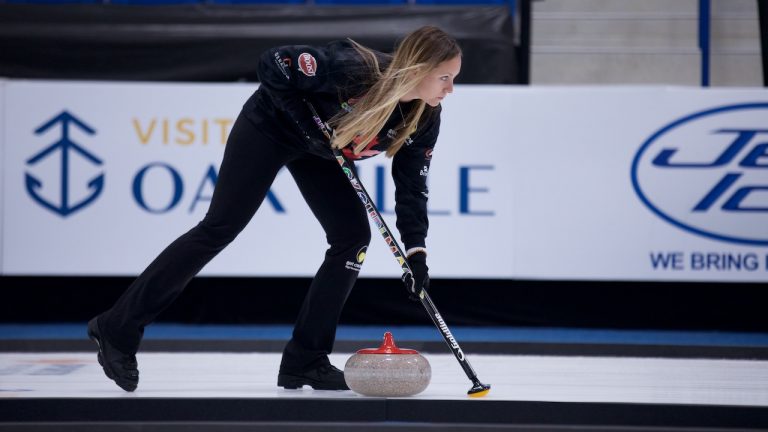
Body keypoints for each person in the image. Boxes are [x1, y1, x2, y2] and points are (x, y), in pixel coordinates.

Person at [87, 25, 462, 392]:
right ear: (416, 70)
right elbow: (274, 63)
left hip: (321, 149)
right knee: (220, 227)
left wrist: (417, 254)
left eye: (453, 79)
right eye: (444, 78)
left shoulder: (424, 117)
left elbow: (412, 189)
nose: (450, 89)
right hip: (270, 128)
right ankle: (117, 328)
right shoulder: (354, 67)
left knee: (352, 238)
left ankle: (306, 361)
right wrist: (305, 125)